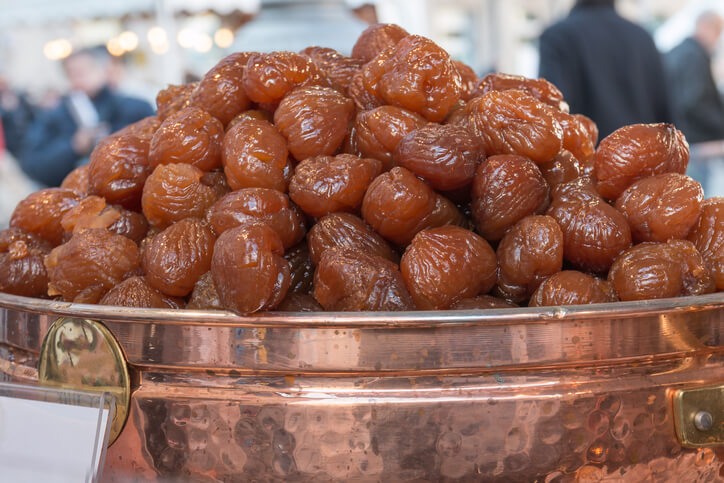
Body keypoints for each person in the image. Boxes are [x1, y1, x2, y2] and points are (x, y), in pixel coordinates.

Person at [20, 46, 154, 187]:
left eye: (83, 71)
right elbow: (32, 164)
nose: (78, 79)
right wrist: (73, 146)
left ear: (103, 70)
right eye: (72, 74)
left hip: (132, 188)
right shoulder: (53, 116)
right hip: (75, 194)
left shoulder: (135, 107)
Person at [538, 0, 672, 140]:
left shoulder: (558, 36)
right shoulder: (643, 38)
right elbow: (665, 115)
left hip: (586, 157)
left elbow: (552, 111)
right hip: (643, 156)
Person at [665, 10, 724, 144]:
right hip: (695, 138)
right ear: (707, 28)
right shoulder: (694, 56)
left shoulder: (679, 51)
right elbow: (695, 102)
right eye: (718, 33)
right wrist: (720, 124)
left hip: (678, 135)